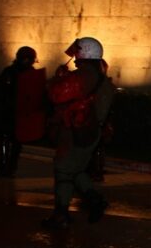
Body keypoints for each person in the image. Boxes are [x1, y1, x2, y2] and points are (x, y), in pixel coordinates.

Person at [42, 37, 115, 228]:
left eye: (77, 55)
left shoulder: (84, 76)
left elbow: (56, 94)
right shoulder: (100, 76)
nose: (74, 59)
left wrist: (58, 78)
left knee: (63, 170)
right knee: (75, 170)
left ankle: (61, 215)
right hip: (89, 131)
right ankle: (95, 200)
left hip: (76, 131)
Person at [0, 46, 46, 177]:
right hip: (10, 111)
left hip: (21, 112)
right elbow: (2, 90)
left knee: (16, 141)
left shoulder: (31, 74)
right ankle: (5, 167)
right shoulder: (10, 72)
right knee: (7, 140)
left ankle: (9, 168)